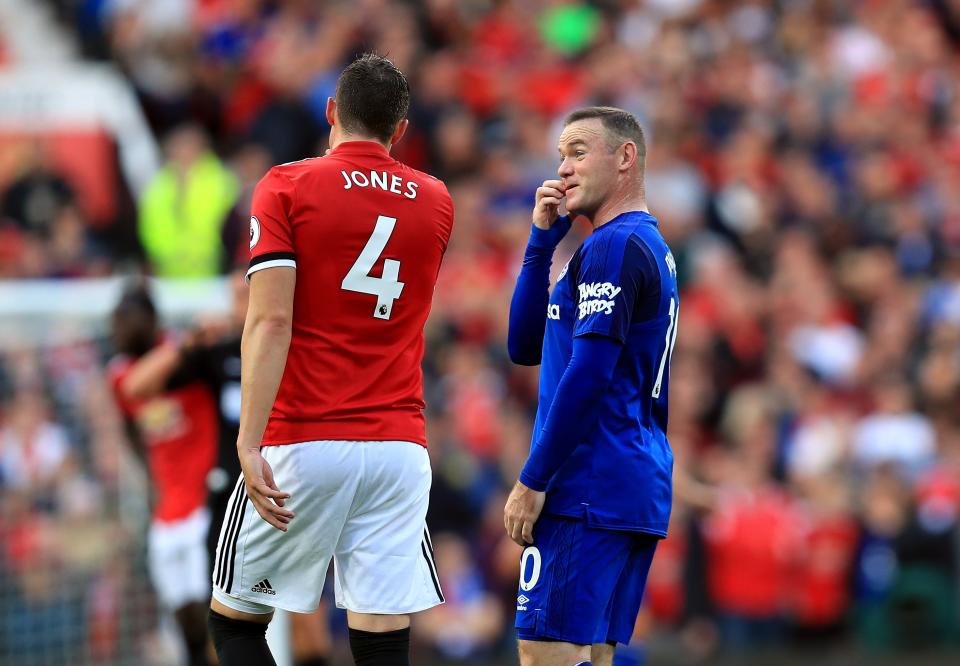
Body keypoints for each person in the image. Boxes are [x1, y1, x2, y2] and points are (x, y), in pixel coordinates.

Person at [206, 53, 455, 666]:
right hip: (399, 447)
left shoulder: (287, 185)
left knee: (236, 623)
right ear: (400, 131)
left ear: (330, 112)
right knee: (379, 638)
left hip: (306, 437)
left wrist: (248, 441)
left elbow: (270, 319)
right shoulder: (437, 200)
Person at [503, 107, 679, 666]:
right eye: (561, 154)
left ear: (625, 158)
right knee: (590, 657)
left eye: (578, 152)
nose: (563, 167)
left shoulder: (613, 246)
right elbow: (523, 346)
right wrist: (539, 242)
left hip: (587, 484)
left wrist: (534, 478)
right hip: (629, 482)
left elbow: (590, 374)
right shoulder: (633, 245)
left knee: (544, 652)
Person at [121, 271, 333, 666]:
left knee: (307, 624)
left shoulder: (297, 344)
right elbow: (135, 387)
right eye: (235, 296)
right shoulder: (214, 352)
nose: (240, 302)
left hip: (294, 491)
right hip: (230, 501)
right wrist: (190, 340)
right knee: (225, 619)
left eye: (246, 293)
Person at [107, 284, 218, 666]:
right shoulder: (120, 377)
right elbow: (129, 428)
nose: (117, 330)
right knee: (183, 617)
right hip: (167, 510)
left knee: (215, 616)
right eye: (115, 322)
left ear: (151, 320)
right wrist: (151, 476)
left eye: (125, 320)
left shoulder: (185, 356)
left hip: (205, 503)